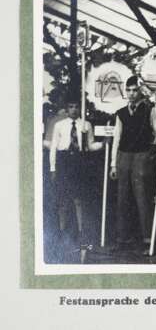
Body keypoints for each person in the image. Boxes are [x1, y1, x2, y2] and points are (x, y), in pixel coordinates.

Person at [110, 76, 156, 252]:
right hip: (124, 157)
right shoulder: (121, 113)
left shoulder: (149, 110)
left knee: (142, 198)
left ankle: (148, 240)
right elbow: (117, 138)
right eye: (129, 90)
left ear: (140, 91)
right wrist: (113, 164)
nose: (131, 94)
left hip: (142, 156)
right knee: (122, 198)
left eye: (134, 90)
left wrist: (154, 150)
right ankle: (122, 239)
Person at [49, 97, 103, 246]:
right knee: (63, 198)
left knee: (78, 198)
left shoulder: (86, 125)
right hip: (63, 161)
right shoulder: (59, 125)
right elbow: (54, 146)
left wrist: (103, 144)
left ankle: (81, 231)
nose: (74, 109)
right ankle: (62, 231)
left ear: (80, 109)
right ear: (67, 109)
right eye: (71, 106)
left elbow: (90, 145)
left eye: (76, 107)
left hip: (78, 162)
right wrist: (53, 168)